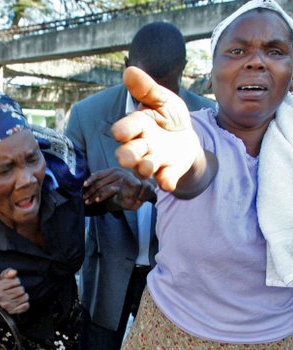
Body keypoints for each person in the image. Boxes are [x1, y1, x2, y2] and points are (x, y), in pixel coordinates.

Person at [110, 0, 293, 347]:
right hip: (171, 332)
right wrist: (188, 162)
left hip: (284, 337)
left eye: (275, 51)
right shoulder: (186, 133)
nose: (255, 61)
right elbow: (196, 170)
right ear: (211, 76)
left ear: (292, 73)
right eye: (237, 51)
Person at [0, 87, 140, 349]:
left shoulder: (63, 184)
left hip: (74, 333)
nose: (28, 179)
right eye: (5, 169)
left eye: (32, 158)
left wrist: (124, 196)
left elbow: (96, 201)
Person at [64, 21, 216, 349]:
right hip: (107, 279)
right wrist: (112, 198)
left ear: (183, 71)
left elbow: (216, 205)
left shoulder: (210, 116)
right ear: (126, 69)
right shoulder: (86, 116)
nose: (153, 105)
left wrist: (151, 194)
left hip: (177, 284)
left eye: (167, 90)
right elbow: (66, 202)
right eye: (142, 92)